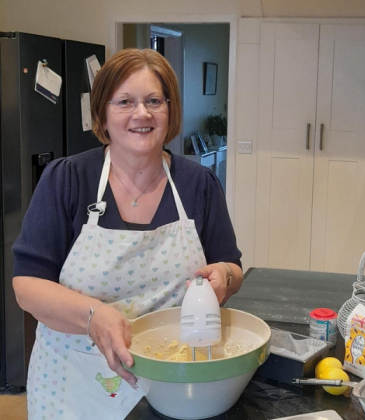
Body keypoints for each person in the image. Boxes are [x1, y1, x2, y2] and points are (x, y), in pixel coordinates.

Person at [12, 48, 243, 420]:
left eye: (154, 101)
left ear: (170, 111)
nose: (142, 113)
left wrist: (225, 278)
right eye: (125, 102)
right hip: (74, 385)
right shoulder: (67, 180)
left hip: (172, 385)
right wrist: (93, 316)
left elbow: (230, 266)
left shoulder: (198, 184)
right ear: (103, 112)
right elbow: (27, 285)